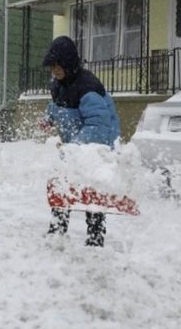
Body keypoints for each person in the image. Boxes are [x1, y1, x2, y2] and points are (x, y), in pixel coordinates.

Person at [39, 35, 121, 247]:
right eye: (52, 67)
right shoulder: (58, 84)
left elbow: (98, 125)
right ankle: (57, 231)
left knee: (92, 193)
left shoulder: (88, 87)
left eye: (58, 66)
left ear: (69, 64)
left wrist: (75, 147)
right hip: (73, 148)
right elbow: (57, 105)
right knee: (61, 185)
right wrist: (49, 118)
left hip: (97, 148)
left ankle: (95, 239)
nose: (54, 71)